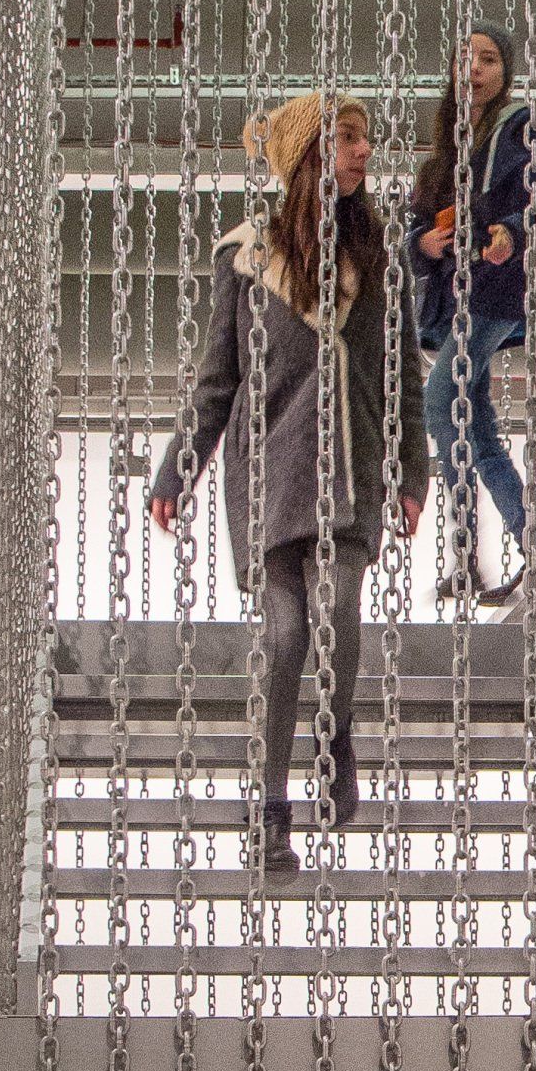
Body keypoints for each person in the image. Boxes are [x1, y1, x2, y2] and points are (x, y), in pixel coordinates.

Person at [151, 93, 429, 880]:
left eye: (364, 138)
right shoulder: (245, 260)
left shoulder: (380, 260)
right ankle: (271, 814)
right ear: (309, 156)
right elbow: (218, 379)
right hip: (271, 473)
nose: (363, 151)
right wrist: (179, 467)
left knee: (336, 607)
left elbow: (404, 379)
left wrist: (412, 471)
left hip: (353, 467)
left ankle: (334, 735)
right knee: (282, 639)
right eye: (346, 138)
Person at [409, 20, 536, 606]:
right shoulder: (445, 154)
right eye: (465, 58)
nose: (473, 69)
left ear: (505, 73)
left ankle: (475, 552)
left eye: (488, 59)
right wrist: (425, 244)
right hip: (456, 299)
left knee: (438, 403)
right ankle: (521, 552)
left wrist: (511, 232)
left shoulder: (523, 127)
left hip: (493, 296)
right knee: (476, 432)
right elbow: (415, 229)